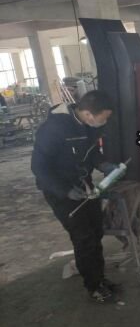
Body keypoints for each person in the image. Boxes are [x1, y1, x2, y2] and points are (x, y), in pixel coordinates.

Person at [31, 90, 120, 303]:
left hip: (84, 187)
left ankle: (100, 278)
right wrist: (64, 191)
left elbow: (91, 152)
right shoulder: (53, 129)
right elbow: (39, 167)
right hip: (60, 192)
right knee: (83, 237)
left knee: (96, 232)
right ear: (89, 114)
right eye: (104, 118)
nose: (105, 122)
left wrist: (102, 164)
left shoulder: (88, 127)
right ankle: (93, 286)